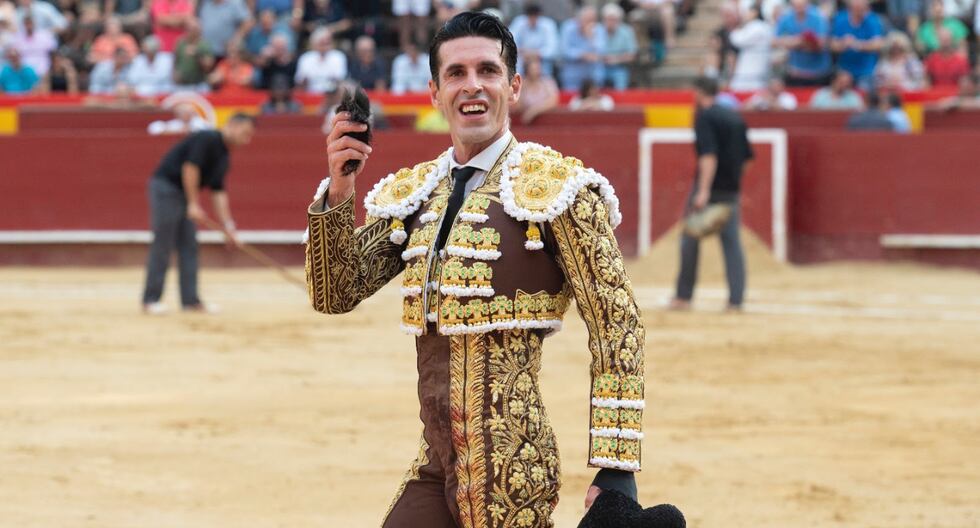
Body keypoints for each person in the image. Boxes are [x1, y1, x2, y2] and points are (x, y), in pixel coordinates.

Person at [305, 11, 645, 527]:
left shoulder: (560, 190)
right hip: (436, 463)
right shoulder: (420, 192)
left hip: (512, 467)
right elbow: (336, 293)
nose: (473, 86)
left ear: (513, 85)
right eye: (456, 74)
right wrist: (340, 190)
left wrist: (617, 469)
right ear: (434, 92)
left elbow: (617, 325)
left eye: (487, 71)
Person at [142, 113, 255, 315]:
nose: (246, 140)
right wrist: (193, 203)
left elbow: (218, 192)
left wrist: (228, 227)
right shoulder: (208, 138)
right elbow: (190, 168)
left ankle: (190, 301)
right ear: (232, 125)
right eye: (245, 134)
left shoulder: (223, 155)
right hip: (167, 189)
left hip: (182, 194)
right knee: (164, 243)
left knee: (188, 245)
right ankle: (150, 300)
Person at [670, 76, 753, 312]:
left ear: (698, 92)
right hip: (730, 191)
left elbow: (708, 156)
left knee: (689, 239)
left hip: (711, 190)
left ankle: (683, 297)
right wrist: (735, 185)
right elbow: (747, 159)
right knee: (732, 244)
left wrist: (703, 191)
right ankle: (735, 301)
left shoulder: (705, 117)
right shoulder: (735, 116)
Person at [773, 0, 832, 86]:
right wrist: (799, 41)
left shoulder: (818, 17)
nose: (799, 7)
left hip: (818, 72)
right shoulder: (786, 17)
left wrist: (794, 43)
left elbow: (821, 44)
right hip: (796, 72)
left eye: (802, 4)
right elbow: (774, 41)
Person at [830, 0, 885, 89]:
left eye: (862, 6)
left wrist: (857, 44)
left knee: (864, 97)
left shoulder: (872, 20)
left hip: (866, 71)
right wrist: (843, 44)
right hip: (844, 70)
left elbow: (878, 44)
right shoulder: (840, 19)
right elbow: (832, 44)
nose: (859, 9)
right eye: (857, 6)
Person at [559, 6, 605, 90]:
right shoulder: (568, 27)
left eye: (592, 20)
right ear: (578, 19)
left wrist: (590, 38)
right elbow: (563, 51)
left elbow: (601, 52)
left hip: (592, 74)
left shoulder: (599, 29)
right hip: (572, 74)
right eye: (587, 20)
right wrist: (581, 54)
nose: (590, 23)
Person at [728, 6, 774, 91]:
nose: (745, 15)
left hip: (753, 68)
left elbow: (737, 40)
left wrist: (735, 30)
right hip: (749, 65)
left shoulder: (758, 27)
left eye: (747, 12)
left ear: (755, 13)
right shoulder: (755, 26)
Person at [508, 3, 559, 77]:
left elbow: (552, 50)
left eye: (535, 16)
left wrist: (535, 54)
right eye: (530, 16)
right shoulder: (519, 22)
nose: (533, 19)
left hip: (543, 64)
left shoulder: (548, 25)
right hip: (522, 62)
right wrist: (522, 51)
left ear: (540, 15)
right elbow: (509, 42)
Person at [294, 26, 346, 94]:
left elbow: (340, 79)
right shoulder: (305, 58)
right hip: (310, 94)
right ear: (314, 44)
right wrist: (304, 81)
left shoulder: (338, 56)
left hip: (332, 95)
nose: (325, 47)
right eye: (322, 44)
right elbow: (299, 80)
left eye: (327, 43)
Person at [599, 3, 637, 90]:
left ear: (619, 20)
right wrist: (601, 58)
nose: (611, 22)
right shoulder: (597, 31)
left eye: (614, 19)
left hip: (619, 67)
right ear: (603, 19)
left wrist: (616, 59)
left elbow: (632, 54)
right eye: (609, 19)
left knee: (621, 78)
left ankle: (621, 102)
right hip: (599, 66)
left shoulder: (627, 31)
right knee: (595, 76)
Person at [513, 52, 558, 124]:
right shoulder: (522, 84)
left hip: (547, 122)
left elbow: (553, 101)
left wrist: (533, 111)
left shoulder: (547, 82)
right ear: (527, 70)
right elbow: (518, 107)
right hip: (528, 125)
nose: (536, 71)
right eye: (533, 69)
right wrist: (522, 89)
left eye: (537, 68)